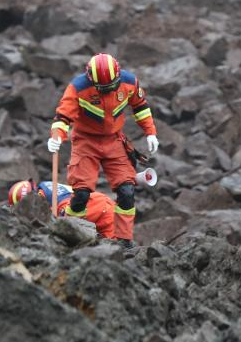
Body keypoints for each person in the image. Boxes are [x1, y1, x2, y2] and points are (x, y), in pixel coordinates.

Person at [46, 53, 158, 243]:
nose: (107, 91)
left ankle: (124, 240)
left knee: (126, 191)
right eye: (102, 88)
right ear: (91, 80)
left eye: (111, 86)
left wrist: (150, 132)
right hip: (85, 141)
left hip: (114, 140)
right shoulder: (78, 88)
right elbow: (63, 117)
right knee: (81, 193)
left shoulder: (129, 82)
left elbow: (140, 106)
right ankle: (69, 228)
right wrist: (56, 137)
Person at [7, 179, 115, 238]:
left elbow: (67, 210)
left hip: (101, 211)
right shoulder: (44, 187)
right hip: (101, 204)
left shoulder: (52, 199)